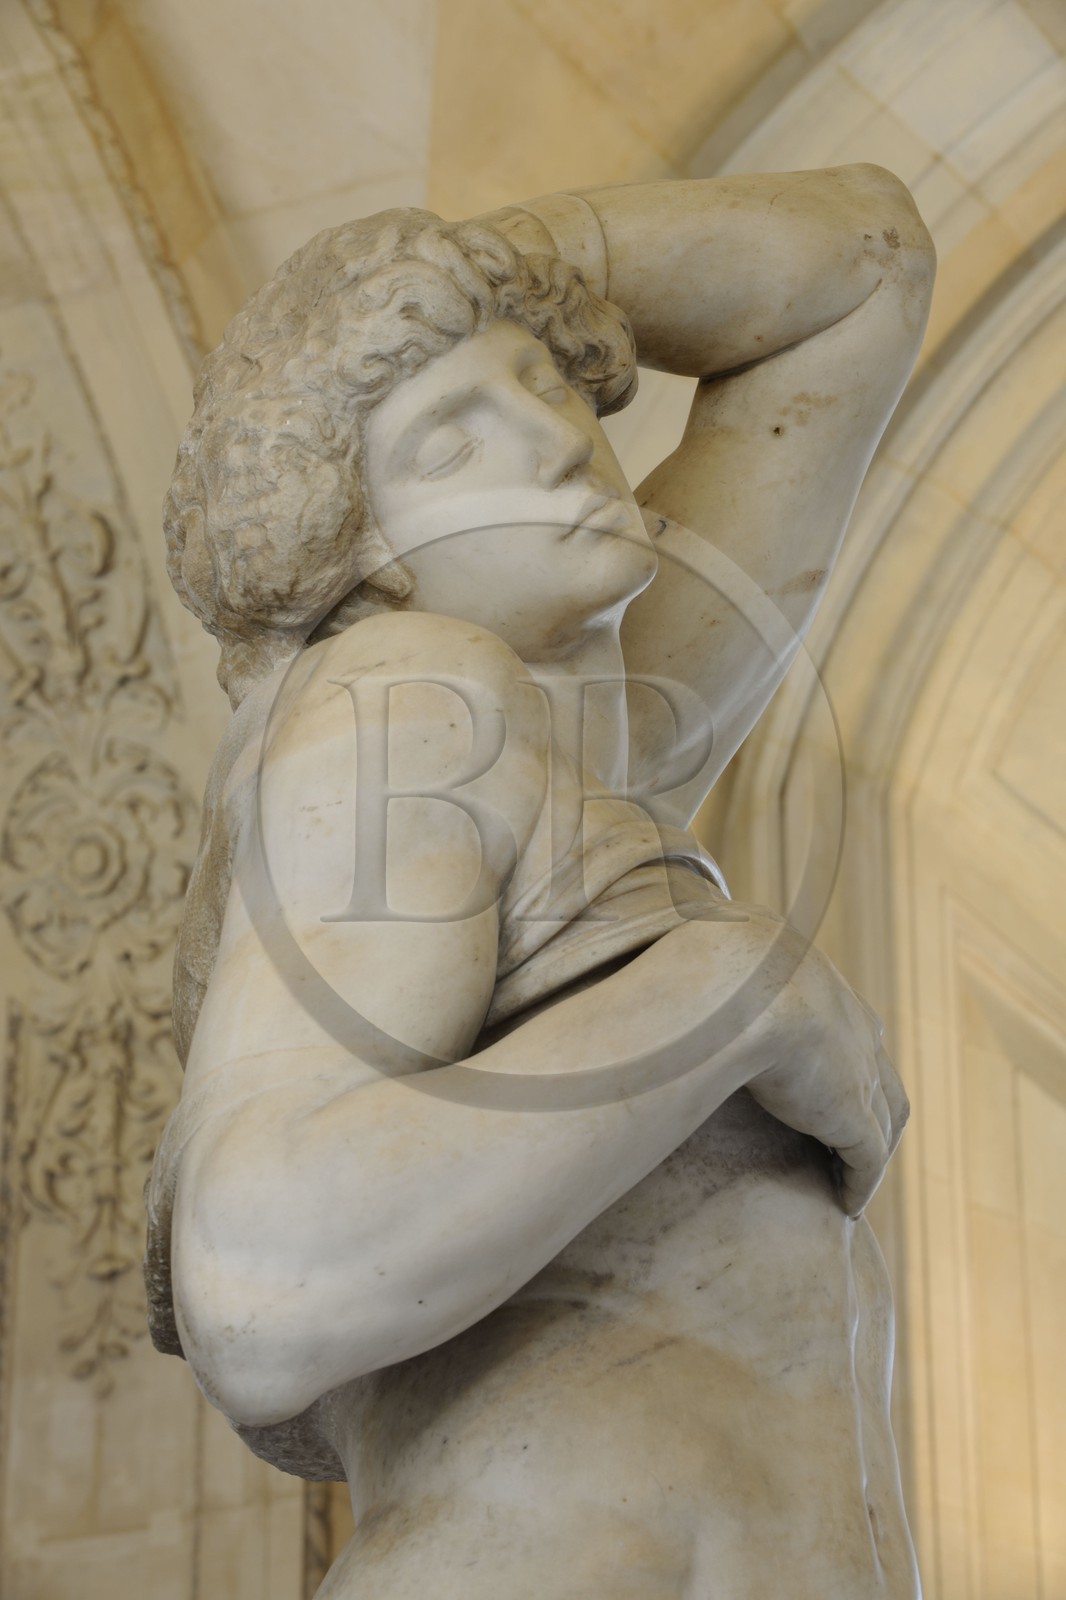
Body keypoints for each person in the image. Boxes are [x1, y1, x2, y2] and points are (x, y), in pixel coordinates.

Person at [147, 169, 935, 1597]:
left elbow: (859, 269)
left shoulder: (604, 746)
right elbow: (258, 1281)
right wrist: (724, 1000)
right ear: (366, 549)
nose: (562, 443)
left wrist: (481, 270)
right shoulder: (403, 691)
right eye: (456, 441)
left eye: (546, 384)